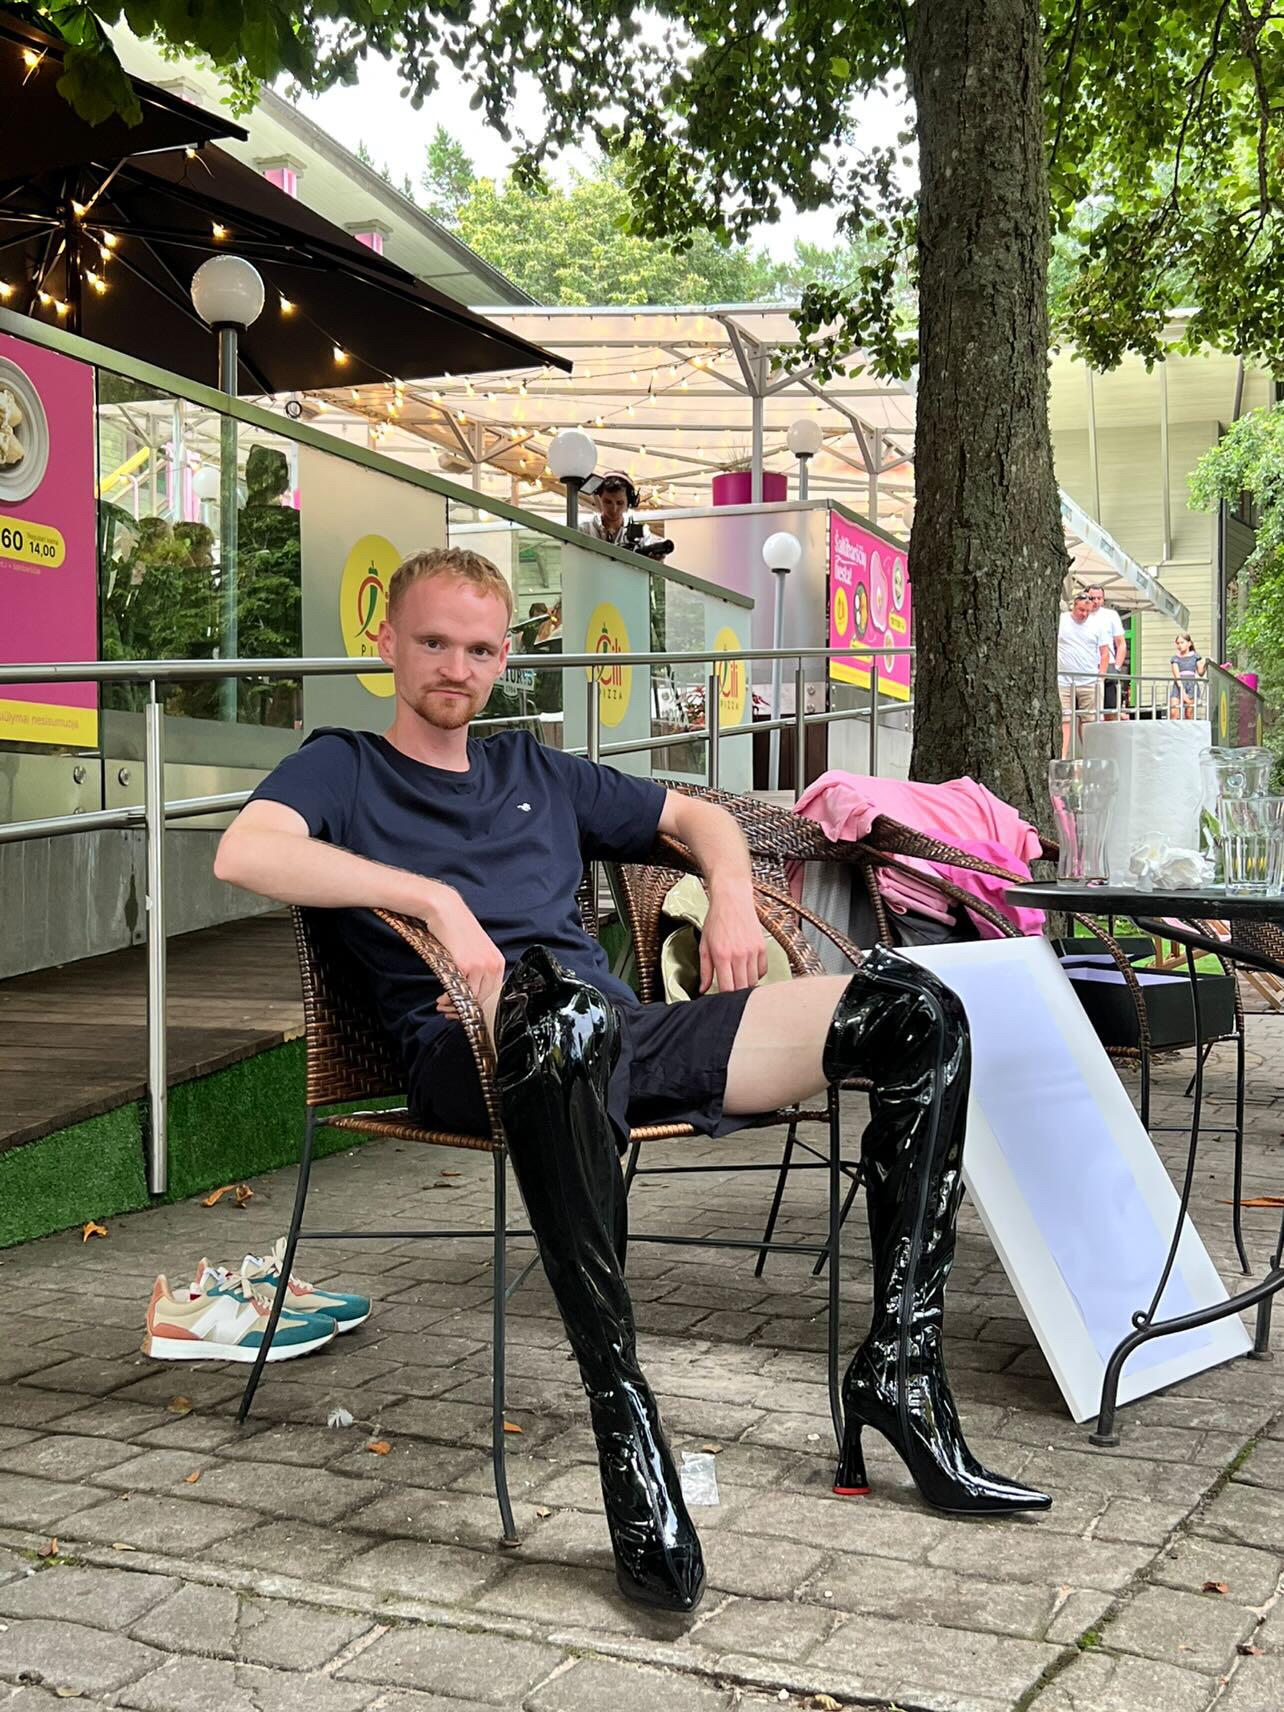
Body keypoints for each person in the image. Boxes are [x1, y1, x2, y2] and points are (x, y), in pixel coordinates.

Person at [214, 546, 1047, 1616]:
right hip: (475, 1051)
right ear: (387, 642)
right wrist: (433, 899)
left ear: (503, 657)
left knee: (916, 1011)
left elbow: (694, 818)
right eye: (433, 642)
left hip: (621, 1034)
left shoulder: (536, 769)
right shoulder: (343, 767)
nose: (456, 667)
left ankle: (902, 1372)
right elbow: (246, 850)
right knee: (560, 1014)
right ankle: (625, 1423)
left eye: (480, 649)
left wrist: (732, 892)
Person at [1058, 591, 1110, 756]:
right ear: (1074, 606)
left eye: (1088, 611)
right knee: (1064, 719)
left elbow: (1105, 652)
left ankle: (1090, 757)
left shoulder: (1097, 625)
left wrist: (1101, 677)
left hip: (1089, 680)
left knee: (1090, 721)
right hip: (1063, 679)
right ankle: (1062, 757)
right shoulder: (1062, 620)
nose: (1084, 614)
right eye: (1081, 610)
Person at [1085, 584, 1127, 720]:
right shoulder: (1082, 613)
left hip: (1108, 664)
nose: (1096, 601)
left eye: (1099, 598)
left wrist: (1117, 667)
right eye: (1093, 598)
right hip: (1087, 665)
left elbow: (1120, 643)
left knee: (1111, 708)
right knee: (1087, 710)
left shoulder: (1110, 615)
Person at [1170, 631, 1205, 718]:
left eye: (1182, 642)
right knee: (1174, 711)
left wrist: (1206, 664)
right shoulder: (1175, 658)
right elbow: (1177, 676)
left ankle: (1189, 726)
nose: (1179, 645)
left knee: (1189, 713)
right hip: (1179, 685)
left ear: (1189, 643)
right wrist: (1182, 692)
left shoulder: (1195, 656)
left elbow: (1201, 673)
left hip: (1191, 685)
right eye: (1178, 643)